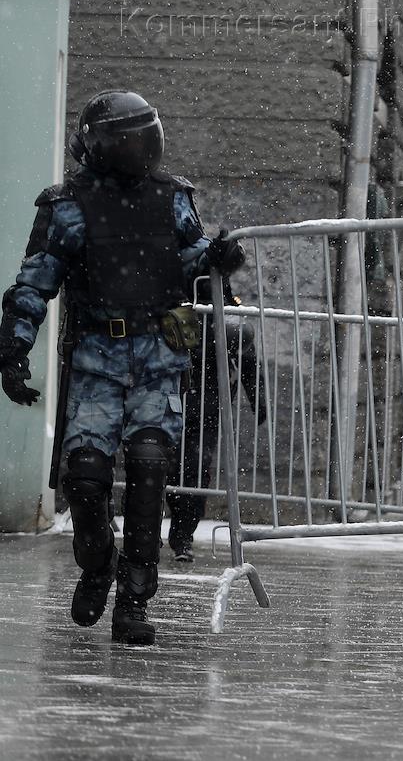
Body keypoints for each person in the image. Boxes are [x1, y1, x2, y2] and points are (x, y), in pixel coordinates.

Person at [0, 90, 245, 646]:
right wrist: (13, 349)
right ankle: (97, 564)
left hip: (159, 353)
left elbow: (189, 258)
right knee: (85, 477)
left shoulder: (172, 197)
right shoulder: (68, 205)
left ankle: (134, 598)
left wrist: (218, 259)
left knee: (148, 469)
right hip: (97, 358)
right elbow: (36, 281)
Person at [166, 279, 265, 563]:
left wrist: (257, 397)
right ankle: (167, 532)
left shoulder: (220, 303)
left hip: (201, 401)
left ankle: (182, 534)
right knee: (168, 467)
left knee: (194, 470)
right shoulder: (173, 292)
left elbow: (245, 353)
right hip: (174, 396)